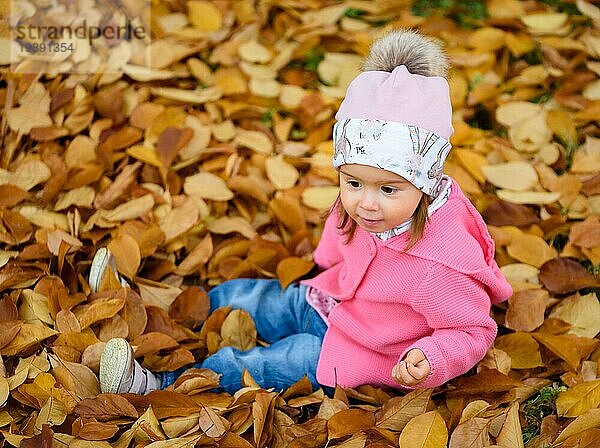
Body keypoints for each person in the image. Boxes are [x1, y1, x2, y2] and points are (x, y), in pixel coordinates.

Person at [91, 29, 512, 395]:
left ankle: (158, 384)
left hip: (356, 350)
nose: (366, 201)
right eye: (353, 183)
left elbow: (472, 331)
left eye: (387, 188)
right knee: (245, 297)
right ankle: (142, 304)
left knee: (264, 365)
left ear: (423, 183)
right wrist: (326, 262)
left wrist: (431, 357)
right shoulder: (366, 207)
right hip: (325, 299)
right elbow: (339, 233)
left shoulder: (441, 266)